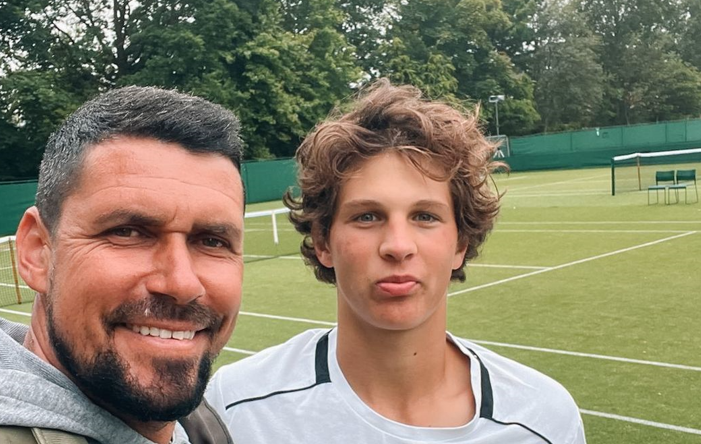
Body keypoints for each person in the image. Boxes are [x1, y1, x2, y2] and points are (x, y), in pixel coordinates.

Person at [207, 80, 587, 443]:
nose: (398, 246)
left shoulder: (542, 421)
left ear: (460, 243)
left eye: (425, 216)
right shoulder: (236, 408)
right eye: (367, 216)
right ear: (323, 241)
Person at [0, 86, 245, 444]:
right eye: (127, 232)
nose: (182, 284)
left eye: (212, 241)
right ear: (37, 252)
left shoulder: (198, 425)